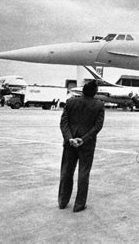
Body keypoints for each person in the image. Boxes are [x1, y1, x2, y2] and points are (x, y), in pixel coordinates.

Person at [58, 80, 104, 212]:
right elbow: (97, 126)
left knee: (66, 171)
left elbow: (63, 123)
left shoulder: (71, 102)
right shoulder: (99, 105)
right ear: (95, 92)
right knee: (84, 173)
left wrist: (70, 138)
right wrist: (83, 139)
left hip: (70, 144)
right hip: (87, 145)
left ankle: (62, 201)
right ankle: (79, 204)